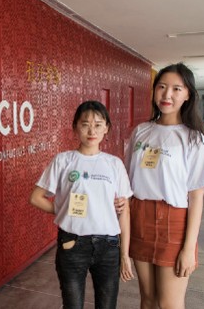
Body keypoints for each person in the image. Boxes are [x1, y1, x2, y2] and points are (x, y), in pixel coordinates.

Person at [125, 63, 204, 309]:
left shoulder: (194, 138)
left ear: (188, 95)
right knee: (147, 300)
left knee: (169, 304)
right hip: (140, 217)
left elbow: (196, 198)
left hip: (175, 221)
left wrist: (189, 248)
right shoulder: (141, 132)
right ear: (154, 91)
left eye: (177, 89)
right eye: (162, 87)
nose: (167, 95)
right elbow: (128, 180)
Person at [29, 100, 134, 309]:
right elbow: (36, 197)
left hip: (109, 246)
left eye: (97, 124)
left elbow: (124, 212)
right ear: (75, 127)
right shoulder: (64, 161)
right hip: (72, 245)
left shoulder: (114, 164)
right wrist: (62, 210)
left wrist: (125, 255)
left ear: (107, 129)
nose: (91, 130)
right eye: (85, 124)